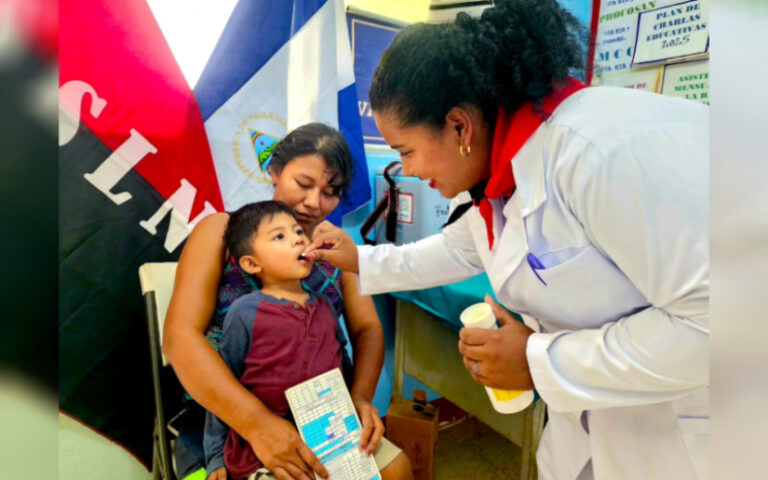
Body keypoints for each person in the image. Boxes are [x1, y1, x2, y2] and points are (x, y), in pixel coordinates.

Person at [304, 1, 709, 479]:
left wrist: (539, 363)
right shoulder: (503, 177)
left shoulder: (601, 153)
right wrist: (360, 259)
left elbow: (718, 324)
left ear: (460, 127)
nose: (407, 171)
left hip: (692, 434)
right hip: (595, 429)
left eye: (407, 151)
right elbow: (458, 248)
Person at [163, 123, 412, 480]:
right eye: (304, 183)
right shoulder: (222, 231)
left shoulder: (334, 250)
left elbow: (368, 328)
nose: (315, 203)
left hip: (319, 414)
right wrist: (257, 425)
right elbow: (179, 338)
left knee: (397, 470)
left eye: (331, 191)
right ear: (276, 171)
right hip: (224, 415)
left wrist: (359, 399)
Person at [201, 201, 397, 480]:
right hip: (266, 446)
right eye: (279, 236)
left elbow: (342, 358)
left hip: (330, 431)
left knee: (398, 467)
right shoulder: (244, 313)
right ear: (251, 263)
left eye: (297, 232)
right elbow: (223, 383)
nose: (297, 239)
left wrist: (357, 404)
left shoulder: (325, 306)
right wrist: (216, 457)